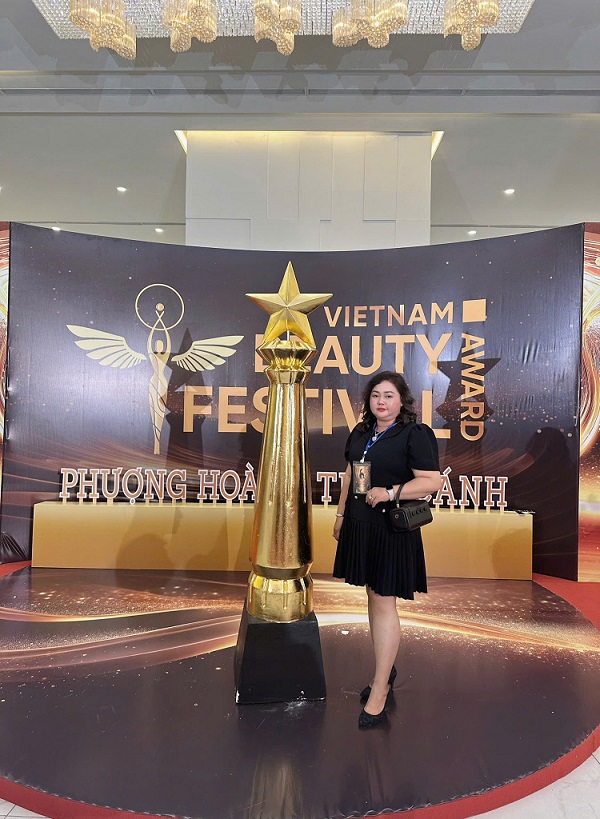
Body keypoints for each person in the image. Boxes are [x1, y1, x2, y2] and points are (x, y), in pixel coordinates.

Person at [332, 371, 442, 729]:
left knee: (383, 600)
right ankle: (385, 668)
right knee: (373, 595)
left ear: (402, 400)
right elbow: (350, 474)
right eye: (376, 395)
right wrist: (340, 515)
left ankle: (380, 687)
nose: (382, 401)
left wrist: (391, 491)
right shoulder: (362, 431)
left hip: (391, 528)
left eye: (389, 395)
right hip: (361, 523)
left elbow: (431, 481)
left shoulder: (414, 433)